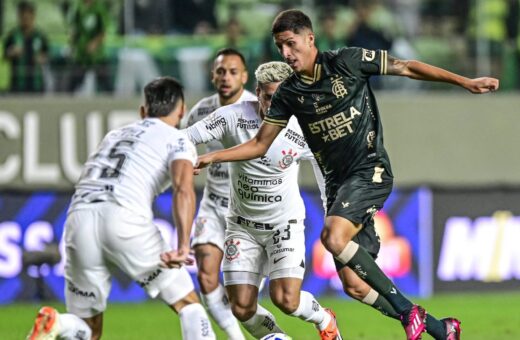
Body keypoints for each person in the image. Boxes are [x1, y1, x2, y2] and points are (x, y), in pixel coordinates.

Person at [195, 9, 499, 340]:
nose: (285, 53)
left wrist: (464, 81)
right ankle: (443, 330)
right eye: (279, 46)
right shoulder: (288, 94)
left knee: (333, 237)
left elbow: (407, 67)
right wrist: (213, 156)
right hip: (340, 187)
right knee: (355, 286)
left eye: (290, 43)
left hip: (370, 169)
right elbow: (259, 144)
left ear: (310, 38)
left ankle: (409, 311)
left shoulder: (348, 62)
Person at [28, 77, 216, 340]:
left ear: (143, 111)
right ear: (182, 111)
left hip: (78, 219)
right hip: (124, 218)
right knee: (189, 305)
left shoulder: (114, 135)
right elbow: (183, 189)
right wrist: (184, 245)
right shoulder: (178, 138)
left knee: (87, 330)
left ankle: (59, 324)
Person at [174, 61, 342, 340]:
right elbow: (186, 137)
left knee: (286, 300)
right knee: (241, 307)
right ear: (257, 93)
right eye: (267, 96)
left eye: (280, 97)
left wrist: (332, 214)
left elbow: (326, 172)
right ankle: (278, 338)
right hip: (242, 227)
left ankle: (325, 319)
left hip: (283, 224)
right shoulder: (232, 117)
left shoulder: (306, 126)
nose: (272, 104)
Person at [182, 47, 255, 340]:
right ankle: (235, 338)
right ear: (212, 75)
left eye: (233, 72)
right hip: (213, 206)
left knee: (243, 300)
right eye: (221, 71)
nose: (226, 77)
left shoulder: (256, 109)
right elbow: (182, 148)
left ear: (244, 77)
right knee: (206, 272)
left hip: (250, 211)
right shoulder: (201, 110)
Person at [3, 1, 49, 93]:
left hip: (37, 84)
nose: (26, 20)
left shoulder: (40, 36)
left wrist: (42, 58)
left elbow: (47, 55)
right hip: (17, 84)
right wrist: (11, 52)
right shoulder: (12, 35)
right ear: (19, 17)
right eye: (23, 17)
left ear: (33, 16)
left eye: (28, 17)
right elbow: (5, 55)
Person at [66, 0, 111, 94]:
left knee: (106, 84)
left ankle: (111, 104)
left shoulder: (99, 7)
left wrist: (94, 43)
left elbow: (103, 30)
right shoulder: (77, 7)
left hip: (97, 55)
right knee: (72, 84)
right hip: (81, 54)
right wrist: (72, 44)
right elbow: (73, 28)